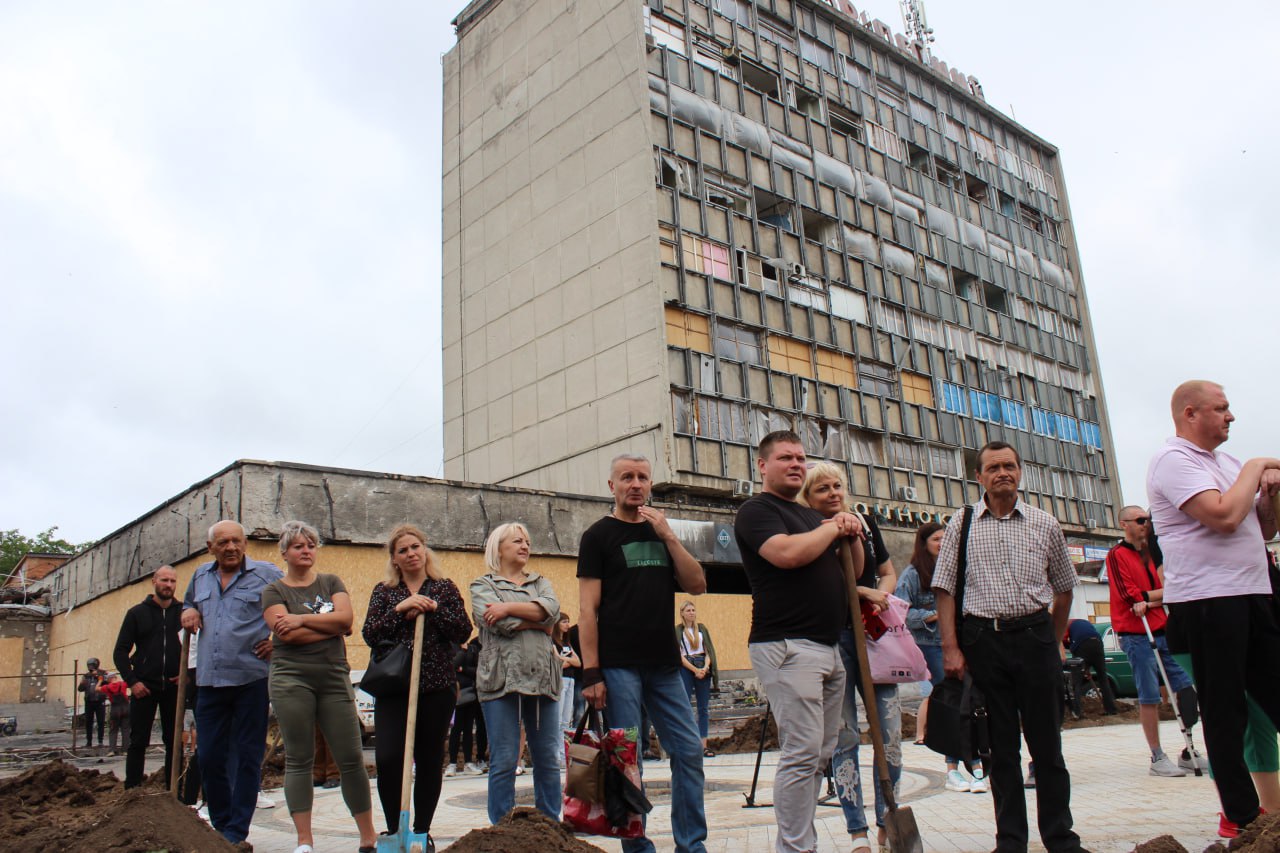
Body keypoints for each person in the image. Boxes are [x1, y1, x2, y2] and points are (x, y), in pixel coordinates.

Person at [933, 440, 1085, 852]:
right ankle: (1011, 841)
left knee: (1048, 747)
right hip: (984, 641)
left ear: (1020, 472)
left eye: (1009, 466)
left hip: (1035, 637)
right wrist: (950, 648)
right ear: (978, 476)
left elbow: (1064, 588)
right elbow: (944, 590)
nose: (1002, 473)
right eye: (993, 468)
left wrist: (1054, 640)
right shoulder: (962, 523)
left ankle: (1061, 838)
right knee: (1000, 749)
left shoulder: (1044, 523)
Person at [1147, 380, 1280, 837]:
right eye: (1221, 408)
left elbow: (1262, 529)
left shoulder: (1228, 464)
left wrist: (1269, 495)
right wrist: (1259, 465)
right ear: (1191, 413)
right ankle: (1242, 818)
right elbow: (1223, 516)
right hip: (1208, 601)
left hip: (1254, 595)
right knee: (1226, 712)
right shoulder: (1173, 459)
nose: (1230, 416)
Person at [734, 432, 862, 853]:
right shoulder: (757, 511)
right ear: (762, 465)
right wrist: (834, 527)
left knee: (820, 753)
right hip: (787, 644)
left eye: (801, 458)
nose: (796, 464)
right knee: (802, 752)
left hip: (827, 646)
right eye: (785, 457)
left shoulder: (810, 516)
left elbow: (853, 570)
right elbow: (786, 554)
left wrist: (850, 532)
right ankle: (795, 848)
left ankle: (802, 842)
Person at [579, 453, 709, 853]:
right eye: (626, 477)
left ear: (650, 484)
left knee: (689, 751)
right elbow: (587, 610)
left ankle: (691, 845)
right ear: (612, 486)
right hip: (619, 667)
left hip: (665, 666)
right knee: (627, 759)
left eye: (642, 477)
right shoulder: (597, 536)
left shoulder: (661, 533)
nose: (635, 484)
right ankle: (637, 847)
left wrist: (669, 536)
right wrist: (591, 673)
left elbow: (697, 584)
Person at [800, 461, 923, 853]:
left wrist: (879, 592)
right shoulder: (806, 529)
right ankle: (857, 831)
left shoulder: (865, 523)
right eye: (822, 488)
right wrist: (859, 591)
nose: (833, 493)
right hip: (833, 637)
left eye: (837, 486)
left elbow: (886, 571)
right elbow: (817, 584)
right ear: (808, 496)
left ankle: (888, 818)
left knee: (890, 735)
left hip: (873, 636)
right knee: (845, 736)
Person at [261, 521, 378, 853]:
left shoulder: (331, 582)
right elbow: (287, 636)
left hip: (333, 677)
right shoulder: (274, 591)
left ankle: (368, 837)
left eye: (311, 545)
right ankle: (304, 841)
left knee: (351, 758)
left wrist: (300, 619)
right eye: (298, 546)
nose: (306, 551)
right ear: (284, 552)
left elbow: (346, 620)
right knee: (300, 757)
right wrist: (329, 627)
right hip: (291, 678)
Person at [362, 524, 472, 849]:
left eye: (415, 547)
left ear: (425, 550)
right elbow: (370, 633)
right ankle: (395, 829)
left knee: (429, 758)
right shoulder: (384, 592)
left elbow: (462, 630)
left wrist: (433, 609)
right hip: (394, 687)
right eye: (403, 550)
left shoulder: (443, 588)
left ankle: (422, 831)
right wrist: (400, 610)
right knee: (389, 758)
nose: (411, 554)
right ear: (394, 559)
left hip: (436, 686)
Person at [180, 520, 283, 848]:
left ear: (245, 544)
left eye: (236, 541)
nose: (231, 547)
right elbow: (188, 604)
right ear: (210, 547)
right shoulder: (200, 576)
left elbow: (304, 599)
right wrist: (188, 611)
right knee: (210, 756)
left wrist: (279, 641)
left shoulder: (266, 574)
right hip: (209, 681)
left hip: (250, 679)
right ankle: (222, 824)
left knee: (248, 756)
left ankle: (237, 831)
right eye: (223, 542)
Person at [471, 522, 562, 824]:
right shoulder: (482, 585)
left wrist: (508, 607)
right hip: (500, 681)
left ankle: (550, 825)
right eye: (517, 541)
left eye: (527, 542)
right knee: (504, 760)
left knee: (547, 758)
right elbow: (501, 624)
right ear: (498, 548)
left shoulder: (540, 582)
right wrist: (539, 621)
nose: (525, 546)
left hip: (543, 679)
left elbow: (553, 612)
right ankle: (502, 828)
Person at [896, 522, 988, 792]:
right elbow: (900, 611)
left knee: (969, 702)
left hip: (962, 642)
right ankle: (961, 768)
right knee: (954, 703)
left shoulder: (957, 569)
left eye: (946, 539)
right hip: (932, 646)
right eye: (937, 539)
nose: (943, 543)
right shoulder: (913, 574)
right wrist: (934, 615)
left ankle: (969, 766)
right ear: (924, 543)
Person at [1106, 505, 1195, 777]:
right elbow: (1130, 595)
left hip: (1162, 628)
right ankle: (1157, 756)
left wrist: (1151, 598)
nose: (1145, 524)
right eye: (1140, 520)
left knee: (1186, 688)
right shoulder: (1116, 555)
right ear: (1124, 524)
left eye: (1147, 520)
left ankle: (1189, 750)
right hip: (1136, 633)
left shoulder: (1153, 553)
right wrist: (1157, 596)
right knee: (1149, 695)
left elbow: (1172, 589)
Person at [114, 564, 182, 786]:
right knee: (138, 741)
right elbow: (120, 651)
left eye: (172, 581)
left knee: (174, 742)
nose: (168, 585)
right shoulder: (136, 614)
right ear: (154, 582)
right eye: (164, 580)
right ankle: (133, 791)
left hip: (174, 688)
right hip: (144, 688)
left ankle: (174, 792)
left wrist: (188, 675)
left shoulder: (183, 613)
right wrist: (132, 682)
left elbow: (198, 648)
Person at [675, 601, 718, 757]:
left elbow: (709, 651)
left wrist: (705, 668)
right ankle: (687, 744)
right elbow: (678, 655)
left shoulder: (701, 629)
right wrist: (694, 670)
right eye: (688, 610)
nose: (692, 612)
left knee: (703, 708)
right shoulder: (678, 631)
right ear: (682, 613)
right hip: (686, 668)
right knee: (685, 706)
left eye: (693, 610)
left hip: (702, 666)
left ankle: (703, 745)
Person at [446, 636, 488, 776]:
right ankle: (452, 763)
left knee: (469, 729)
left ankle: (469, 762)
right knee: (456, 729)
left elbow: (477, 670)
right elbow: (452, 666)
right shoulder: (451, 646)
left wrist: (463, 669)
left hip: (471, 693)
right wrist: (462, 653)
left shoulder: (473, 649)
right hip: (456, 693)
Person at [1062, 619, 1119, 717]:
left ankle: (1077, 712)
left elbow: (1064, 641)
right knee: (1103, 679)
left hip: (1082, 645)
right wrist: (1086, 669)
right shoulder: (1085, 623)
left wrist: (1079, 665)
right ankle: (1111, 709)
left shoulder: (1066, 624)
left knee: (1077, 682)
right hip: (1097, 644)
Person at [555, 613, 582, 742]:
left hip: (571, 679)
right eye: (564, 622)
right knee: (558, 717)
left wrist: (566, 659)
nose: (567, 625)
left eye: (568, 621)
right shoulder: (553, 642)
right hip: (561, 679)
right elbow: (558, 664)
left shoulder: (567, 643)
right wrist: (568, 660)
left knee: (566, 719)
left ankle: (563, 749)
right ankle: (556, 750)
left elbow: (578, 662)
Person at [78, 657, 106, 749]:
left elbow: (107, 683)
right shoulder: (86, 676)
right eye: (89, 665)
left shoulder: (102, 673)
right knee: (88, 722)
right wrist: (82, 683)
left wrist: (97, 676)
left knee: (100, 721)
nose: (90, 667)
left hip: (99, 700)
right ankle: (89, 742)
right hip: (89, 701)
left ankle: (100, 741)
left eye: (92, 665)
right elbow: (80, 689)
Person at [100, 672, 130, 755]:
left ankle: (112, 750)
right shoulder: (123, 684)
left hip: (115, 709)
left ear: (109, 679)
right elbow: (132, 684)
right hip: (126, 708)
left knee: (113, 730)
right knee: (126, 729)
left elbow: (96, 689)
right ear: (115, 677)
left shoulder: (107, 687)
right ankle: (125, 750)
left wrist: (100, 680)